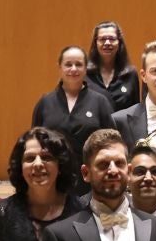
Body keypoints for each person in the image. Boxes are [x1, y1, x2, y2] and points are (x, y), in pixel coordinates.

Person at [32, 46, 116, 181]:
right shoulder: (45, 102)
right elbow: (34, 142)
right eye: (68, 64)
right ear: (60, 67)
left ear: (86, 68)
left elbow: (112, 143)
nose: (73, 69)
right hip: (52, 179)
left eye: (78, 64)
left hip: (90, 179)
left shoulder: (100, 102)